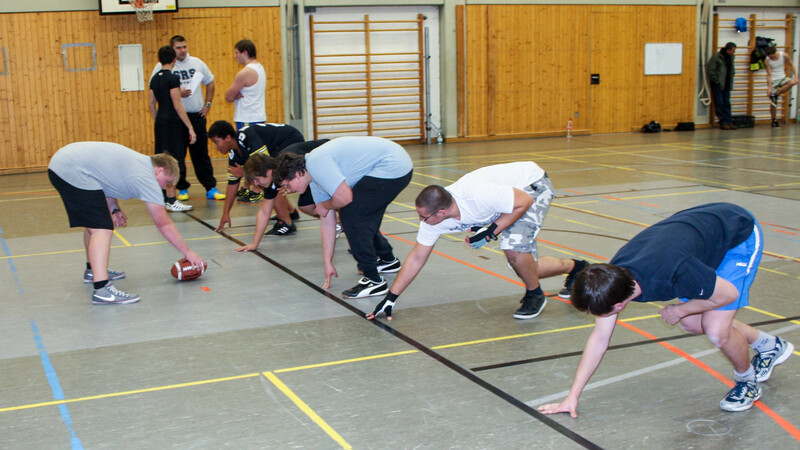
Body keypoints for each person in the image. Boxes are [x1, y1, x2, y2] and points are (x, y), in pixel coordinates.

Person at [538, 203, 793, 416]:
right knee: (694, 323)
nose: (600, 319)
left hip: (737, 234)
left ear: (618, 306)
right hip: (696, 242)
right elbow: (599, 340)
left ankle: (746, 380)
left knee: (715, 329)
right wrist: (572, 397)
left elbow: (728, 295)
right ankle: (770, 345)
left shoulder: (673, 272)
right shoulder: (612, 279)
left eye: (601, 314)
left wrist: (680, 310)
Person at [366, 162, 589, 321]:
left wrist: (491, 231)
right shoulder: (435, 219)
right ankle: (578, 268)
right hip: (505, 200)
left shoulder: (478, 196)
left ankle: (535, 295)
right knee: (524, 266)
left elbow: (525, 201)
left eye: (424, 217)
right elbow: (417, 257)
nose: (421, 221)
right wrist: (391, 298)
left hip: (530, 186)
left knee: (513, 249)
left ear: (441, 212)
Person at [48, 142, 207, 305]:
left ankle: (92, 271)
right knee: (102, 229)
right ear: (159, 170)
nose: (164, 187)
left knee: (94, 224)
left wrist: (114, 209)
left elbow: (105, 182)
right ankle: (102, 290)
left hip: (65, 164)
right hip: (71, 169)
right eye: (166, 182)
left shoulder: (138, 164)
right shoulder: (146, 176)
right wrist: (188, 252)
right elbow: (164, 223)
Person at [274, 136, 413, 298]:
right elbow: (327, 220)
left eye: (287, 185)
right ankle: (388, 261)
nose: (288, 190)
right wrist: (328, 262)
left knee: (351, 215)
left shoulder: (316, 164)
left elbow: (344, 199)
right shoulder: (313, 178)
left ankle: (374, 281)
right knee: (361, 215)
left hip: (392, 166)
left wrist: (325, 205)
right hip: (392, 164)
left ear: (297, 174)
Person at [150, 35, 225, 202]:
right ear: (172, 50)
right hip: (175, 118)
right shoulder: (161, 68)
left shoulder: (197, 63)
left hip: (196, 114)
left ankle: (210, 187)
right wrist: (177, 91)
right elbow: (155, 90)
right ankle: (182, 188)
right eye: (178, 48)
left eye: (184, 47)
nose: (182, 50)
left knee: (201, 153)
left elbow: (210, 82)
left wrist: (207, 105)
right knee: (177, 155)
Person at [208, 120, 306, 235]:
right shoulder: (234, 155)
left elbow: (265, 168)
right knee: (264, 181)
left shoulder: (249, 137)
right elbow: (232, 185)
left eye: (216, 142)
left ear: (228, 138)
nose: (215, 147)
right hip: (276, 146)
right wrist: (225, 213)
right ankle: (290, 212)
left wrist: (244, 172)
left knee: (269, 181)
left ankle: (286, 223)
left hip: (290, 140)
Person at [235, 140, 329, 252]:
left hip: (325, 161)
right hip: (312, 173)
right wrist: (255, 243)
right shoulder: (271, 182)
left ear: (269, 172)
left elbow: (311, 172)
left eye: (257, 179)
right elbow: (264, 212)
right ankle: (338, 221)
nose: (255, 184)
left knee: (336, 198)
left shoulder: (288, 164)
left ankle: (341, 221)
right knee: (306, 206)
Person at [149, 45, 196, 212]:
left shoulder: (154, 79)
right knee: (174, 161)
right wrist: (190, 127)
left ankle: (161, 198)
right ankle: (171, 199)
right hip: (173, 124)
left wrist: (159, 122)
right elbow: (178, 105)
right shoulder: (172, 78)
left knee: (161, 160)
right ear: (174, 59)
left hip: (160, 123)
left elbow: (151, 105)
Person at [225, 39, 266, 130]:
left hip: (247, 118)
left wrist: (235, 94)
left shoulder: (245, 72)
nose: (235, 56)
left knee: (247, 144)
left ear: (245, 53)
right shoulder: (260, 68)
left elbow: (228, 97)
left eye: (236, 53)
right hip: (259, 116)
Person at [764, 45, 798, 128]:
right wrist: (769, 88)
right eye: (770, 57)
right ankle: (774, 120)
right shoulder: (767, 60)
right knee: (773, 103)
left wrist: (796, 76)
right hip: (774, 80)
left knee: (792, 82)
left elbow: (791, 65)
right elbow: (769, 74)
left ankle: (776, 94)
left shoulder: (784, 55)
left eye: (773, 57)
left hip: (782, 77)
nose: (772, 58)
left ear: (775, 53)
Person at [707, 42, 737, 130]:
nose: (733, 53)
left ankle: (729, 121)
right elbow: (711, 69)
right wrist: (715, 79)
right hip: (718, 84)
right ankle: (723, 121)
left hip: (727, 83)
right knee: (719, 103)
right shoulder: (717, 57)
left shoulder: (731, 58)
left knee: (727, 103)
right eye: (733, 51)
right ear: (729, 49)